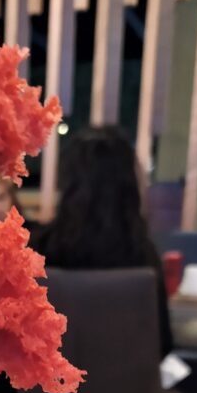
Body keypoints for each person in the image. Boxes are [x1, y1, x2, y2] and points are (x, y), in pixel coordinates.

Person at [36, 126, 173, 358]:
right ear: (130, 188)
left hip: (49, 390)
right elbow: (162, 345)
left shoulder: (40, 251)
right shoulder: (142, 255)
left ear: (68, 186)